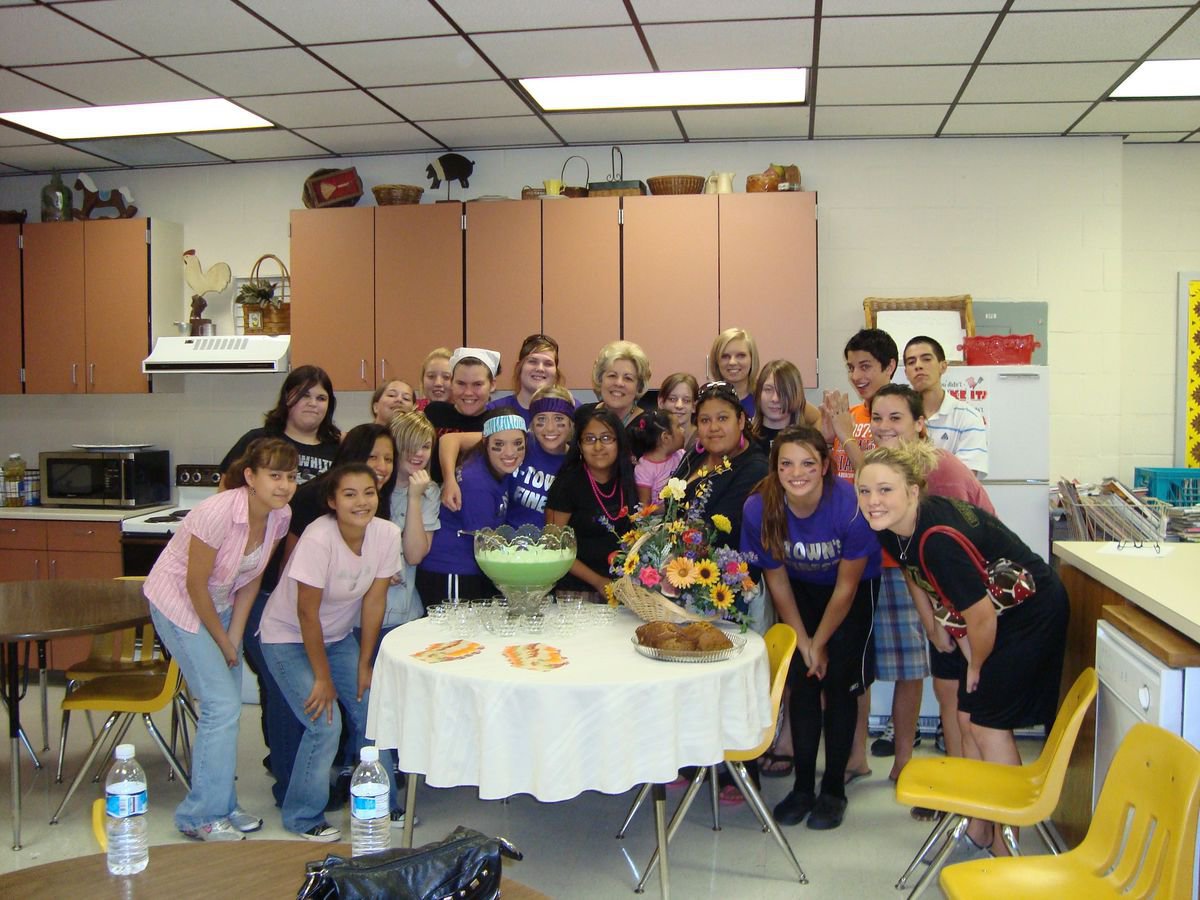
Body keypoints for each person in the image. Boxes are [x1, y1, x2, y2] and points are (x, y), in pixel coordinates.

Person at [856, 441, 1068, 859]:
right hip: (998, 614)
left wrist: (976, 663)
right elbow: (924, 581)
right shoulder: (895, 528)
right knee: (968, 716)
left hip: (1030, 613)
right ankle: (979, 828)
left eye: (885, 490)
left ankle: (1007, 850)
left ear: (914, 491)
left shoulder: (936, 540)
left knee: (987, 725)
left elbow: (983, 617)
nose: (873, 501)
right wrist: (938, 629)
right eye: (865, 491)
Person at [143, 437, 298, 841]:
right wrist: (223, 641)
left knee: (224, 710)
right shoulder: (216, 513)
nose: (283, 485)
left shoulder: (280, 517)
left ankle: (223, 806)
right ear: (250, 477)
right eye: (274, 475)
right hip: (179, 603)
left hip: (221, 603)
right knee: (221, 705)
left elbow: (252, 578)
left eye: (291, 477)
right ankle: (199, 816)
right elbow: (194, 586)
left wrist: (234, 635)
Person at [741, 426, 880, 831]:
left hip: (850, 594)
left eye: (807, 463)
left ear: (824, 466)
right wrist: (802, 642)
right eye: (786, 463)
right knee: (802, 681)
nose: (796, 472)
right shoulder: (758, 508)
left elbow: (847, 587)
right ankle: (803, 786)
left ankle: (833, 788)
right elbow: (777, 580)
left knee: (838, 685)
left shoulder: (850, 508)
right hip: (798, 590)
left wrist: (820, 643)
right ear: (775, 467)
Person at [259, 464, 405, 841]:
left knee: (371, 709)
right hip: (286, 637)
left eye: (369, 493)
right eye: (350, 494)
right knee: (325, 723)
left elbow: (374, 603)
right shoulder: (318, 537)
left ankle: (381, 806)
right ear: (332, 501)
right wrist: (323, 678)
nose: (361, 502)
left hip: (338, 639)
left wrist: (364, 664)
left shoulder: (387, 534)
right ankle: (303, 817)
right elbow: (306, 613)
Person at [869, 384, 994, 803]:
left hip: (979, 594)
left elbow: (965, 559)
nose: (885, 427)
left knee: (971, 702)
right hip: (940, 596)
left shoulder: (939, 471)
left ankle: (977, 801)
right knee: (947, 694)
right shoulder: (887, 475)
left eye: (896, 418)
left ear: (921, 425)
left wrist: (954, 627)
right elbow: (908, 558)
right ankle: (955, 796)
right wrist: (932, 623)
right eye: (878, 418)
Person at [821, 328, 905, 782]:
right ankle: (855, 754)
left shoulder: (892, 420)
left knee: (897, 664)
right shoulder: (848, 414)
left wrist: (847, 434)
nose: (857, 375)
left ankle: (899, 758)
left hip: (891, 558)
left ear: (889, 367)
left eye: (866, 366)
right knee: (853, 659)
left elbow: (880, 475)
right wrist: (828, 428)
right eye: (851, 366)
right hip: (847, 555)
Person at [416, 410, 526, 603]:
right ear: (485, 444)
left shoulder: (491, 465)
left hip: (465, 569)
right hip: (451, 570)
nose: (510, 453)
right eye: (498, 445)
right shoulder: (477, 483)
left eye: (518, 444)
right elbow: (487, 545)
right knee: (455, 632)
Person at [440, 385, 574, 529]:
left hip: (545, 545)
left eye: (559, 418)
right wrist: (449, 480)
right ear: (532, 424)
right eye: (541, 419)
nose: (550, 428)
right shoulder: (517, 439)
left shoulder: (576, 461)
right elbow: (450, 440)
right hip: (503, 539)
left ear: (571, 423)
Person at [545, 406, 636, 598]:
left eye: (606, 438)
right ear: (579, 445)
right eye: (589, 439)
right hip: (575, 591)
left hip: (622, 587)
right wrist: (597, 581)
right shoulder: (567, 483)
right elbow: (554, 546)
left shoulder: (628, 478)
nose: (598, 447)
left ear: (619, 442)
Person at [671, 381, 769, 550]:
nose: (713, 427)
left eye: (723, 418)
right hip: (674, 558)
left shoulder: (755, 469)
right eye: (705, 420)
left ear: (740, 420)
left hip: (721, 568)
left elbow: (716, 534)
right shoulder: (697, 453)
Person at [220, 364, 340, 485]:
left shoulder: (339, 449)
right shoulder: (257, 440)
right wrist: (255, 498)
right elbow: (226, 493)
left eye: (321, 398)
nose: (313, 403)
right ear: (287, 397)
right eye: (304, 395)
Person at [383, 410, 440, 633]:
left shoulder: (429, 492)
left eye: (425, 446)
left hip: (405, 613)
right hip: (359, 613)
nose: (418, 453)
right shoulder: (371, 487)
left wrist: (414, 497)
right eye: (410, 445)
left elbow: (414, 555)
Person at [902, 335, 989, 477]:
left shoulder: (968, 417)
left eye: (926, 359)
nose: (918, 365)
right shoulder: (899, 416)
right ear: (906, 373)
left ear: (943, 366)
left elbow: (964, 480)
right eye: (911, 362)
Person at [424, 347, 500, 483]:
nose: (468, 392)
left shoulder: (498, 422)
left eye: (477, 384)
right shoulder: (434, 413)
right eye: (461, 384)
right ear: (452, 382)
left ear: (492, 385)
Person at [486, 333, 565, 423]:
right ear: (519, 367)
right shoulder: (494, 410)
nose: (540, 368)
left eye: (548, 364)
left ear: (556, 372)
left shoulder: (570, 409)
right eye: (532, 361)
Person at [752, 359, 821, 450]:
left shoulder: (808, 443)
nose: (775, 399)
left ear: (796, 395)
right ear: (758, 393)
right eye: (768, 390)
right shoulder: (745, 441)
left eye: (783, 391)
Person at [628, 407, 686, 507]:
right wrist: (666, 509)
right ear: (666, 437)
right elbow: (644, 507)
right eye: (678, 427)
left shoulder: (681, 455)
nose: (683, 430)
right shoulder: (644, 469)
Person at [589, 340, 651, 427]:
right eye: (612, 375)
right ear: (600, 378)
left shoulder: (648, 427)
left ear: (639, 386)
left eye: (628, 378)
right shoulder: (582, 415)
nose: (619, 383)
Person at [709, 327, 760, 418]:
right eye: (725, 356)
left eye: (740, 356)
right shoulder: (708, 401)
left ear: (752, 359)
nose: (732, 362)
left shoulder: (763, 400)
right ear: (716, 361)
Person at [657, 372, 699, 451]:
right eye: (672, 399)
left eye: (686, 400)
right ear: (661, 403)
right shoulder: (652, 440)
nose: (679, 406)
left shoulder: (703, 440)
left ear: (694, 406)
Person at [415, 347, 452, 412]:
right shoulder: (412, 419)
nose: (438, 383)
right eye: (431, 376)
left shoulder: (468, 419)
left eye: (446, 377)